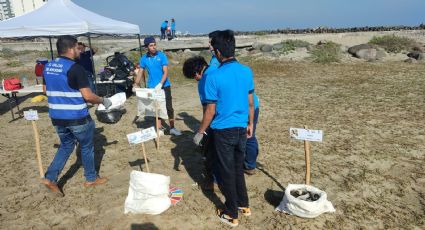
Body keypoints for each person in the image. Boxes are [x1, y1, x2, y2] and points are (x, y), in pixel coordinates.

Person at [194, 30, 255, 227]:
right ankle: (244, 205)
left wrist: (200, 132)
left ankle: (231, 213)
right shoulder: (246, 71)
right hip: (241, 128)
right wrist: (250, 123)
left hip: (223, 130)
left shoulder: (214, 76)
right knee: (237, 168)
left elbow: (210, 112)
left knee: (226, 171)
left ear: (218, 52)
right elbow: (250, 102)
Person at [41, 35, 111, 196]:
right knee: (86, 147)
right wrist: (102, 100)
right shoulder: (75, 68)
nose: (80, 51)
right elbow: (88, 96)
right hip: (77, 116)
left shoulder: (48, 67)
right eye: (78, 48)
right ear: (71, 48)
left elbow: (45, 91)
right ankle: (91, 178)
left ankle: (50, 178)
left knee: (66, 145)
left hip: (56, 116)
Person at [182, 56, 220, 190]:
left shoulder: (205, 80)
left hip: (220, 119)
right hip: (239, 114)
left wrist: (201, 130)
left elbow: (209, 110)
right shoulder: (217, 68)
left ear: (197, 73)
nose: (195, 80)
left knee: (214, 151)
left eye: (194, 77)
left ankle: (214, 181)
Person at [133, 36, 182, 136]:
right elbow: (140, 72)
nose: (154, 47)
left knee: (169, 107)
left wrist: (160, 84)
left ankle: (172, 128)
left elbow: (165, 72)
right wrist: (135, 84)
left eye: (155, 44)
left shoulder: (162, 56)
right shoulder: (144, 59)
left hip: (165, 85)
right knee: (157, 108)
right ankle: (159, 128)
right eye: (151, 45)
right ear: (147, 47)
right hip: (152, 87)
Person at [244, 93, 260, 175]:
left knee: (249, 137)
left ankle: (249, 165)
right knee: (250, 136)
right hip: (252, 105)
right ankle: (250, 165)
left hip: (245, 107)